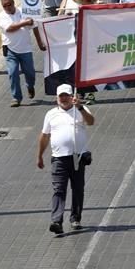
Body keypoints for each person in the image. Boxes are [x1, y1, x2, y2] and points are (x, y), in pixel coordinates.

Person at [37, 84, 95, 235]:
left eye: (66, 96)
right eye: (61, 96)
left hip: (78, 157)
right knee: (58, 189)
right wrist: (40, 155)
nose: (63, 99)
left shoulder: (80, 110)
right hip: (58, 159)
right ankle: (57, 221)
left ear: (72, 96)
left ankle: (75, 218)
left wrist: (81, 107)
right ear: (57, 98)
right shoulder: (51, 114)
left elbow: (91, 121)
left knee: (77, 189)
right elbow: (44, 136)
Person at [0, 0, 37, 107]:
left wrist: (40, 42)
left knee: (30, 72)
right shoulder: (1, 16)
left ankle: (30, 86)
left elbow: (34, 27)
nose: (7, 8)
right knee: (13, 73)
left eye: (9, 5)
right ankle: (16, 97)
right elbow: (9, 29)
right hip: (10, 49)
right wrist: (25, 22)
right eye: (4, 6)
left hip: (25, 48)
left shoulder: (24, 12)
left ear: (13, 3)